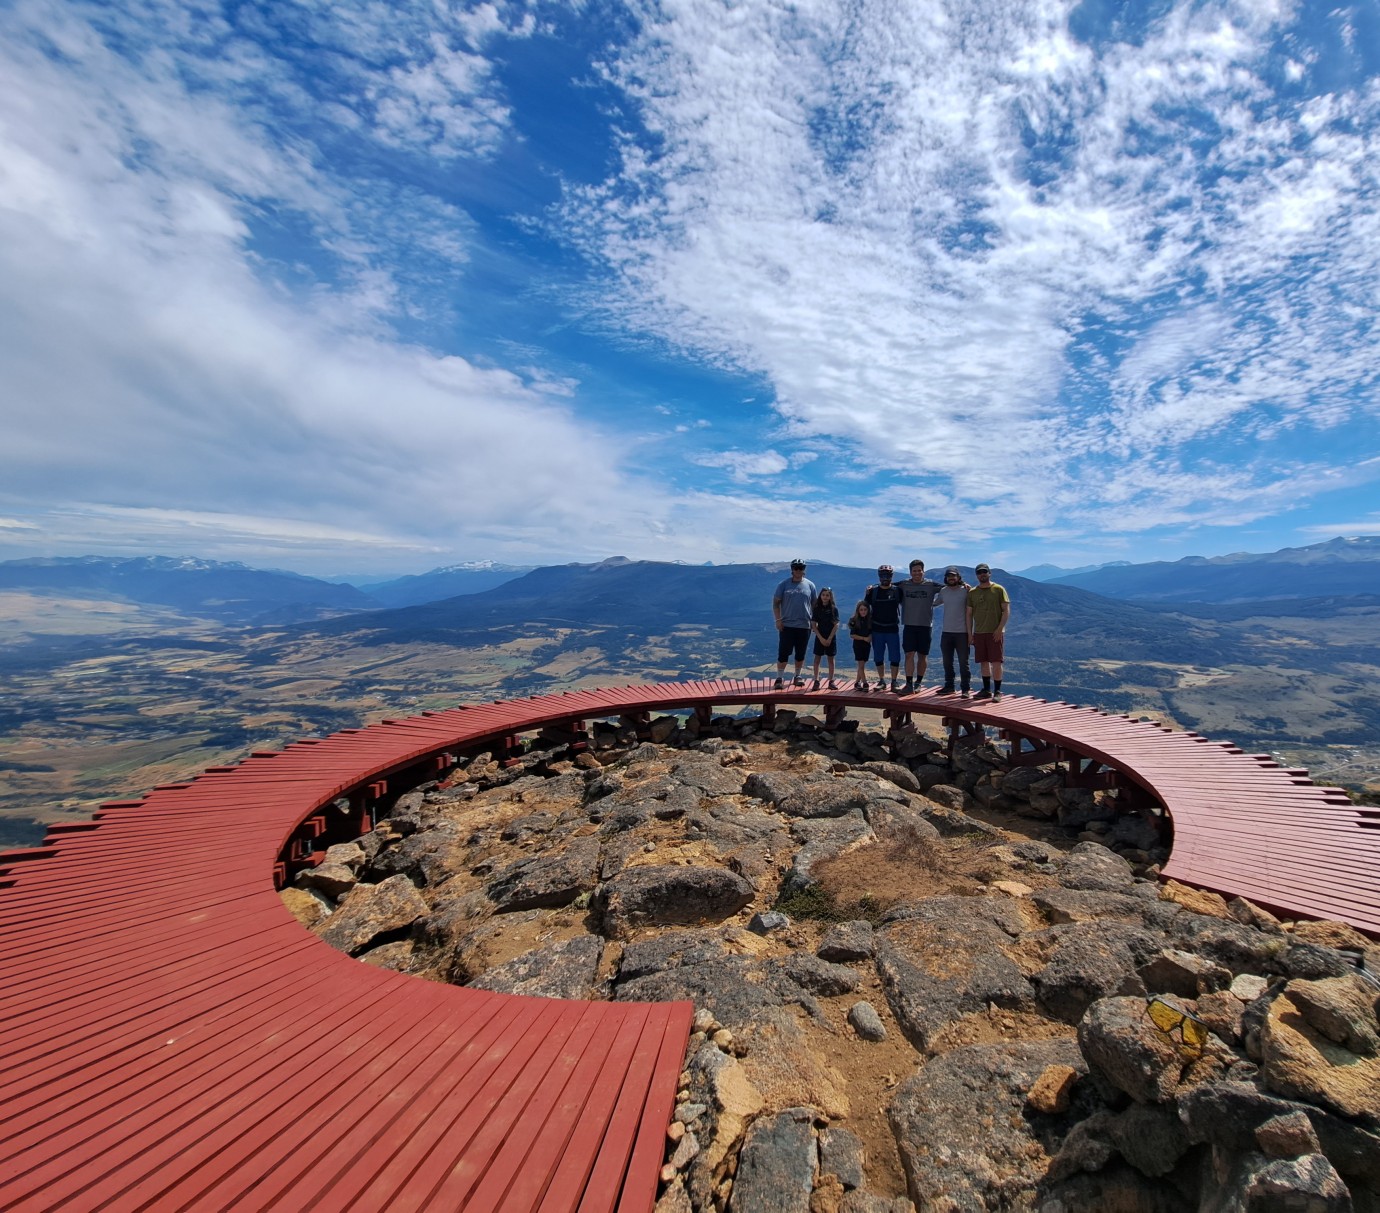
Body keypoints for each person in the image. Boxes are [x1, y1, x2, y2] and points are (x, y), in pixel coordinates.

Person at [968, 562, 1011, 701]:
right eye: (979, 572)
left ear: (989, 573)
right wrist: (970, 634)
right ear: (976, 575)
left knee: (996, 662)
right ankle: (986, 690)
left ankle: (997, 691)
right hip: (979, 632)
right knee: (983, 662)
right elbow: (969, 614)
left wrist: (1000, 629)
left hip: (994, 632)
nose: (982, 574)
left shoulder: (999, 589)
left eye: (984, 572)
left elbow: (1006, 610)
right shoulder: (972, 593)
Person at [899, 559, 943, 693]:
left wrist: (963, 585)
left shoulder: (931, 585)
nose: (917, 573)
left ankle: (918, 682)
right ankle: (908, 684)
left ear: (923, 571)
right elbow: (888, 585)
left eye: (919, 570)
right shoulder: (904, 584)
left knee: (923, 655)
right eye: (914, 571)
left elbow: (949, 587)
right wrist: (872, 587)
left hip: (925, 625)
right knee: (909, 655)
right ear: (910, 572)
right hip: (909, 625)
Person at [772, 559, 818, 689]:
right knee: (783, 653)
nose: (798, 570)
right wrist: (778, 620)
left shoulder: (810, 585)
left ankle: (797, 676)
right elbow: (776, 603)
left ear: (804, 569)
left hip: (804, 625)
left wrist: (815, 623)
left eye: (801, 568)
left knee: (800, 653)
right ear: (792, 569)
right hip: (787, 625)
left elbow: (815, 605)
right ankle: (779, 678)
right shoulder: (783, 585)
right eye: (796, 568)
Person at [864, 564, 904, 691]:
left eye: (888, 575)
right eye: (883, 575)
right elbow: (864, 610)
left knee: (895, 657)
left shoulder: (897, 591)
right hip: (877, 629)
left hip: (892, 629)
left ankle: (894, 681)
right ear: (879, 576)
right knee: (878, 657)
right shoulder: (873, 592)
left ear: (892, 576)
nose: (885, 577)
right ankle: (882, 680)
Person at [934, 565, 971, 697]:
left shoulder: (966, 590)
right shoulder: (943, 591)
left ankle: (965, 689)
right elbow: (934, 603)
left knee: (963, 662)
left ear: (958, 577)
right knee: (947, 661)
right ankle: (949, 686)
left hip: (962, 632)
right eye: (949, 576)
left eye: (953, 576)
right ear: (946, 578)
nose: (951, 578)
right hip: (946, 632)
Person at [810, 587, 840, 690]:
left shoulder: (833, 609)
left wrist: (830, 638)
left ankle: (831, 681)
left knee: (831, 659)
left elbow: (836, 624)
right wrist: (820, 638)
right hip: (820, 636)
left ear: (830, 597)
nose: (825, 597)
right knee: (817, 658)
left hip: (831, 637)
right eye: (823, 595)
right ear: (820, 596)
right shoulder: (817, 608)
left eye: (827, 595)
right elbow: (813, 624)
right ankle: (816, 681)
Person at [847, 599, 873, 690]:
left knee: (862, 665)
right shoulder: (854, 620)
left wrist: (870, 636)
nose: (863, 611)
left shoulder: (870, 620)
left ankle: (857, 682)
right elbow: (852, 635)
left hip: (867, 645)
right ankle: (865, 683)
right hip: (858, 645)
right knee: (861, 664)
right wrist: (864, 638)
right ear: (858, 610)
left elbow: (871, 631)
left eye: (865, 609)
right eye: (861, 610)